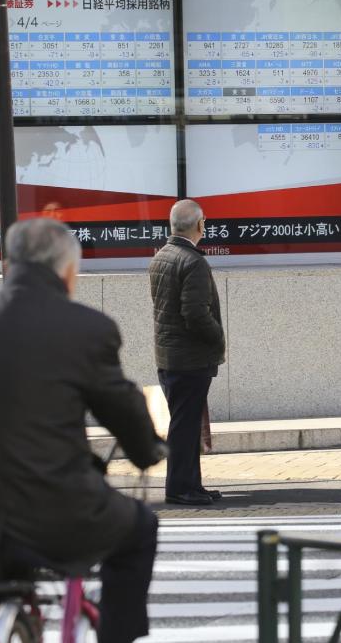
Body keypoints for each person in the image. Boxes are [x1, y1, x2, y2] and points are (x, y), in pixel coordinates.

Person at [0, 218, 165, 643]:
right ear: (68, 271)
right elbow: (121, 405)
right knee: (141, 528)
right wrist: (146, 451)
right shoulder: (88, 328)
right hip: (59, 517)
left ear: (7, 265)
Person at [149, 199, 226, 506]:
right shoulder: (192, 261)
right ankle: (181, 487)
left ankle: (191, 484)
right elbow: (195, 314)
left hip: (169, 356)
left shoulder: (162, 256)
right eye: (204, 222)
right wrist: (218, 337)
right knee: (185, 426)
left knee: (187, 423)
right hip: (190, 357)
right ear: (199, 224)